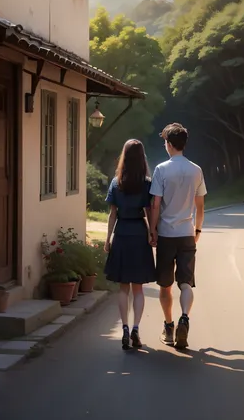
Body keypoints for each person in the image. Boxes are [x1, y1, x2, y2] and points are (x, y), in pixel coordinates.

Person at [149, 122, 207, 351]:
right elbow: (200, 205)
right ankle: (185, 318)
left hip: (166, 234)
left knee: (165, 285)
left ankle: (169, 327)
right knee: (186, 283)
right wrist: (198, 230)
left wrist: (152, 230)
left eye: (165, 141)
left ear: (170, 144)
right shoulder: (196, 170)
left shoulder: (161, 169)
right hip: (186, 233)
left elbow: (155, 204)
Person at [104, 139, 156, 350]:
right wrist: (153, 233)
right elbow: (149, 211)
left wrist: (108, 238)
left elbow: (112, 213)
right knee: (138, 288)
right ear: (142, 157)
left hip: (122, 233)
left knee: (123, 287)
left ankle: (124, 329)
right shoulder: (146, 184)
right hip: (139, 234)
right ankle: (136, 329)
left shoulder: (116, 183)